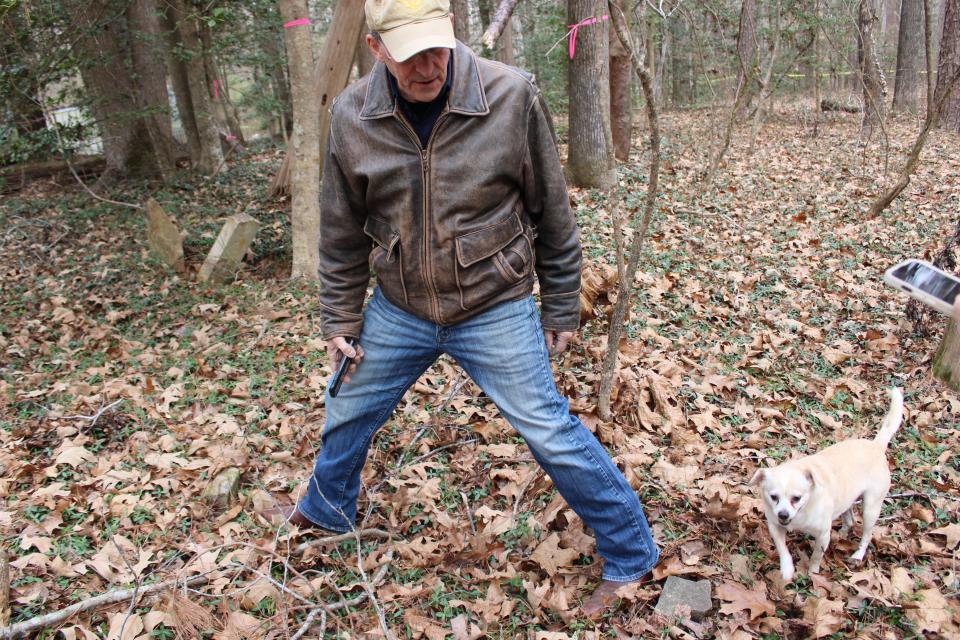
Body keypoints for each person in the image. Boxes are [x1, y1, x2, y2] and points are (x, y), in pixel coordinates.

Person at [265, 0, 659, 616]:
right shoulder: (351, 115)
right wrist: (340, 319)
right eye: (407, 52)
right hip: (401, 304)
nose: (427, 64)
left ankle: (631, 554)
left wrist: (560, 304)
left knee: (549, 430)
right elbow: (340, 231)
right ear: (376, 50)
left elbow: (553, 210)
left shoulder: (510, 96)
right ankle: (327, 508)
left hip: (492, 301)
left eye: (435, 46)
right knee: (346, 406)